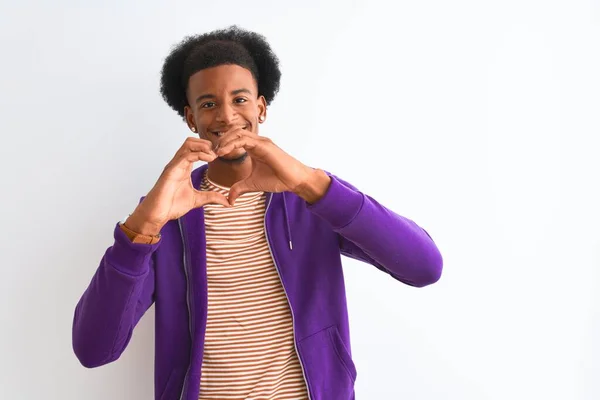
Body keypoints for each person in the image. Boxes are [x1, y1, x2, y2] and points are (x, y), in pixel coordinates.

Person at [72, 25, 443, 400]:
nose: (226, 116)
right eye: (208, 103)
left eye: (240, 99)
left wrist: (311, 184)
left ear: (261, 108)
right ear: (190, 118)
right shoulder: (166, 211)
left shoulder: (308, 195)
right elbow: (94, 349)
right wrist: (142, 227)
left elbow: (424, 266)